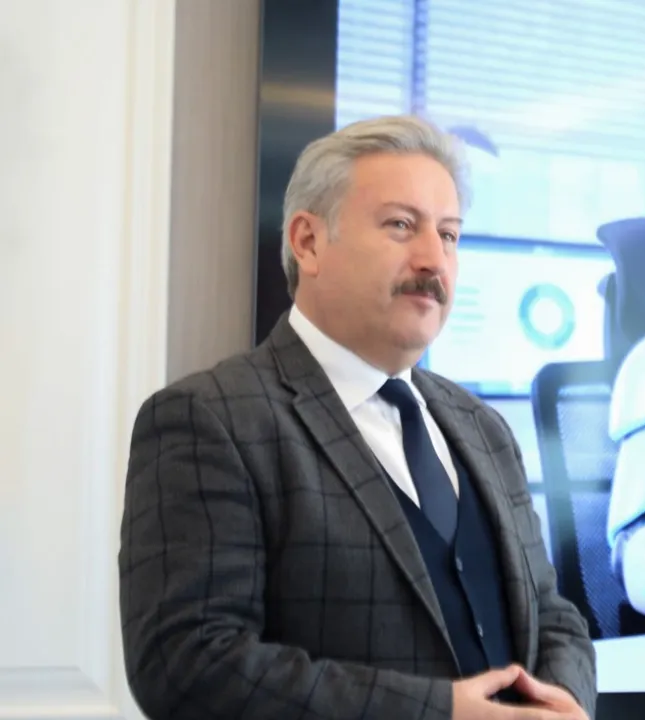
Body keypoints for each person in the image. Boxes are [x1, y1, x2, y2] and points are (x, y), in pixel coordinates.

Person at [117, 114, 596, 720]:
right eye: (401, 225)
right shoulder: (209, 420)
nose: (434, 259)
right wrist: (437, 712)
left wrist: (565, 701)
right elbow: (186, 665)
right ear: (308, 242)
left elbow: (553, 616)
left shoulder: (483, 427)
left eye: (449, 234)